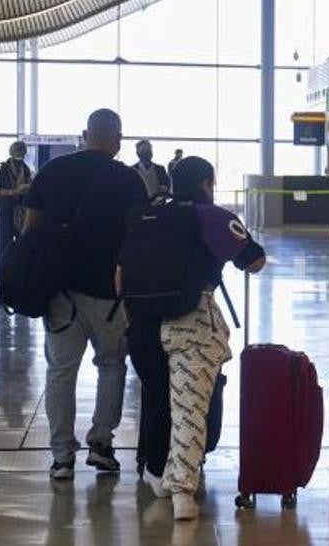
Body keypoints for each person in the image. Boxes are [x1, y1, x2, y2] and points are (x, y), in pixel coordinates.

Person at [125, 156, 265, 521]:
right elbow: (254, 260)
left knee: (156, 398)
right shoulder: (212, 216)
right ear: (207, 182)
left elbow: (120, 272)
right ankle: (182, 492)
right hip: (191, 321)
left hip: (142, 322)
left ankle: (155, 471)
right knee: (188, 408)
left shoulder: (148, 214)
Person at [24, 109, 149, 480]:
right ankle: (101, 445)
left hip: (59, 291)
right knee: (111, 365)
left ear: (84, 134)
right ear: (118, 139)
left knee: (61, 371)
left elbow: (30, 231)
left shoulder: (52, 173)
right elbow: (137, 239)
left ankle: (62, 457)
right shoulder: (128, 180)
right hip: (107, 294)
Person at [0, 140, 33, 258]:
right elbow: (1, 190)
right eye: (18, 151)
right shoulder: (5, 168)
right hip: (6, 208)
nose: (21, 154)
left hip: (20, 210)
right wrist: (16, 191)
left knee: (21, 238)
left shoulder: (25, 168)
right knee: (4, 239)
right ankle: (4, 263)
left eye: (22, 152)